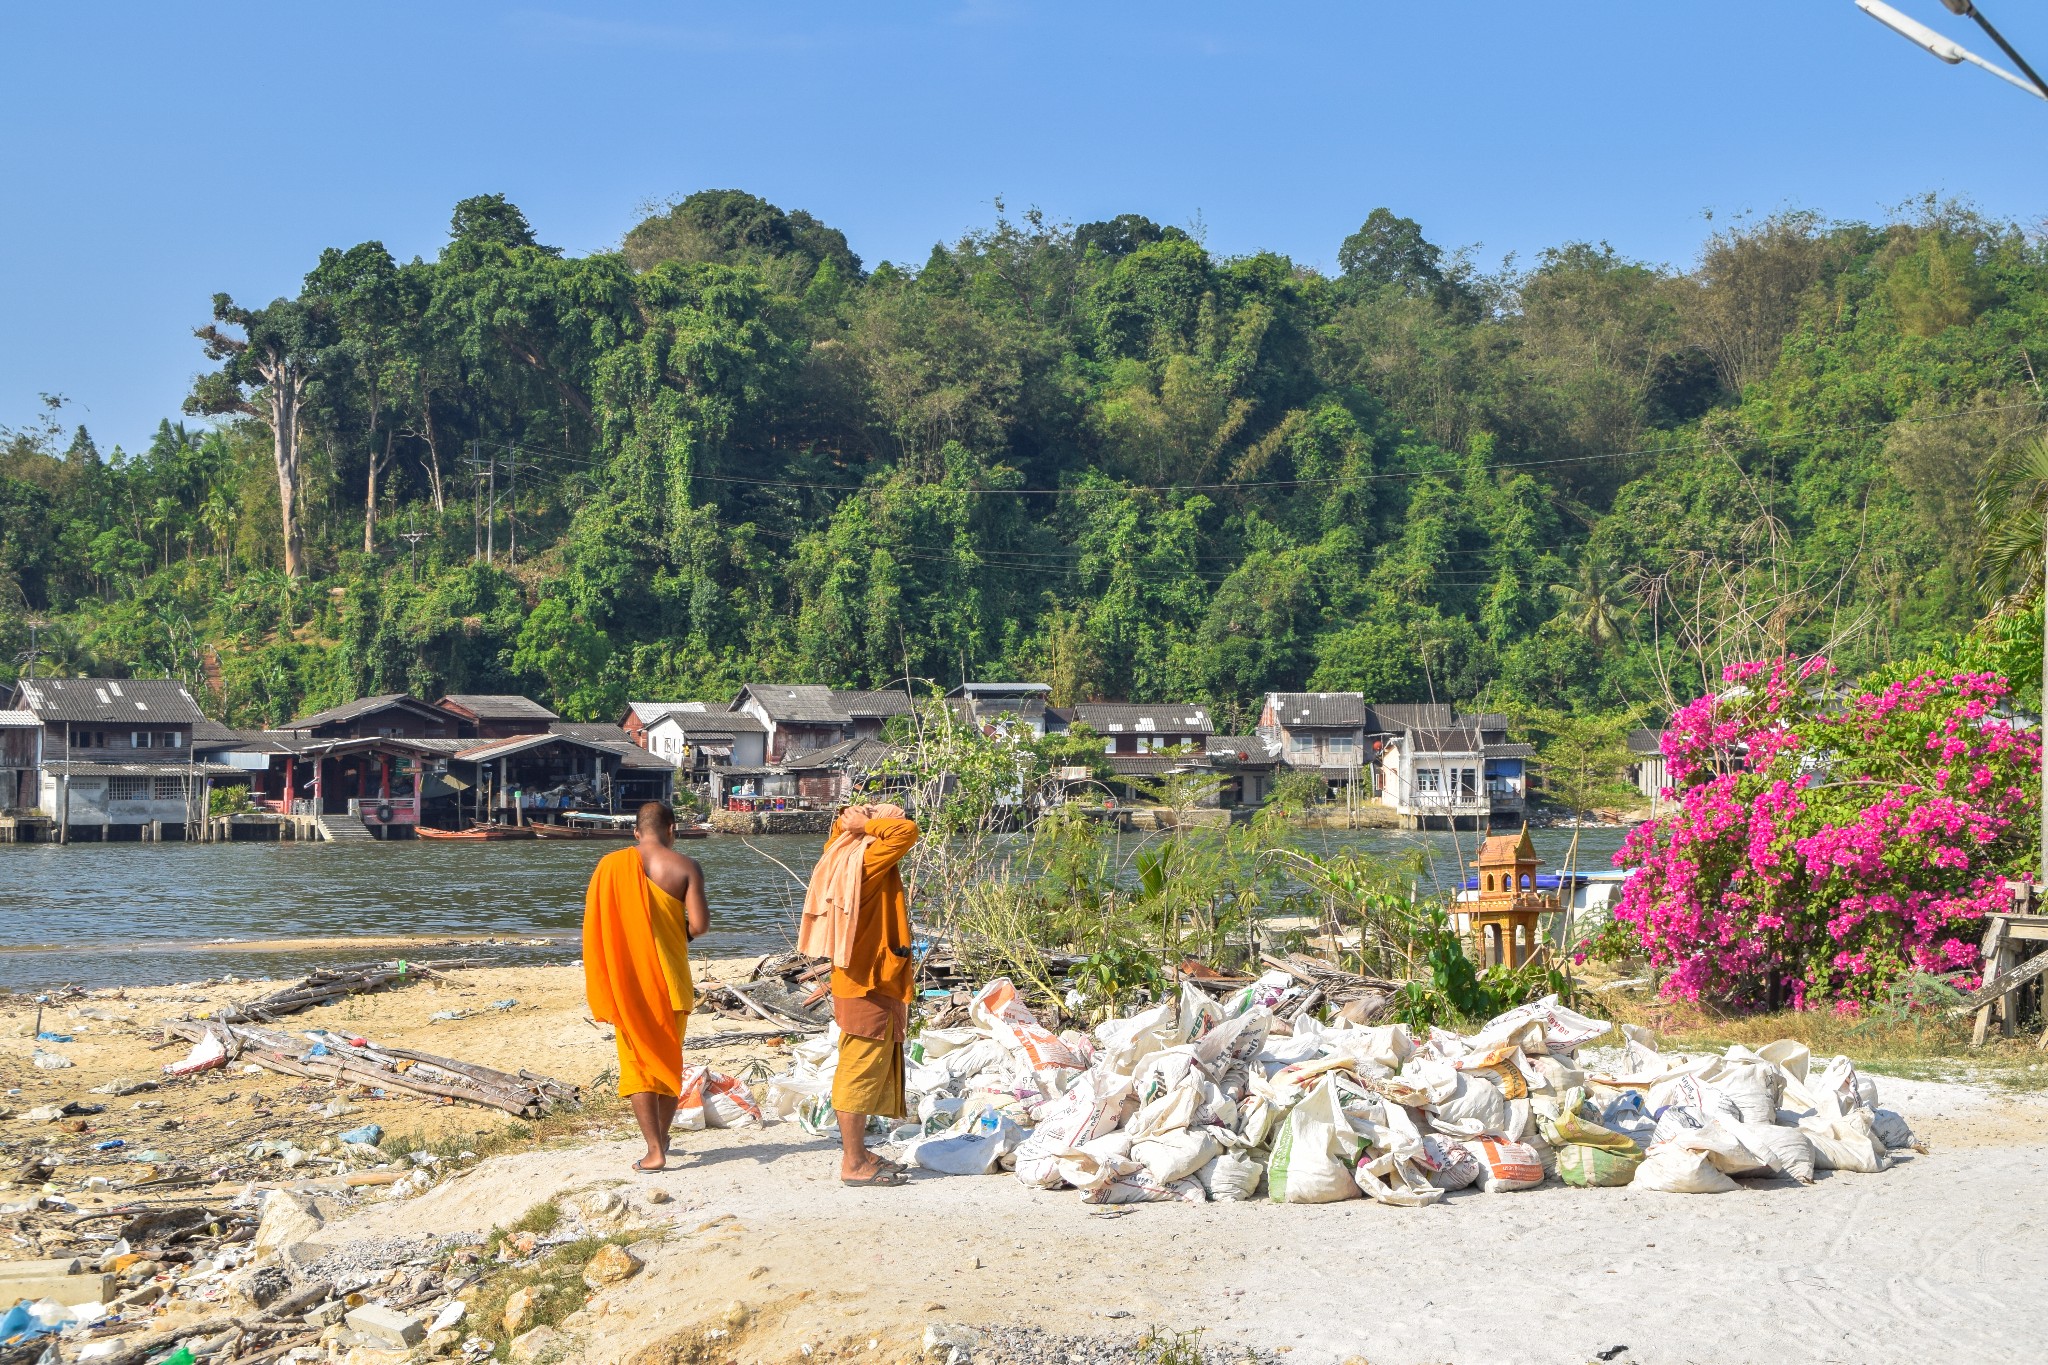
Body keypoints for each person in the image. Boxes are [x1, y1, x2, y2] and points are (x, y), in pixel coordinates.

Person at [583, 800, 709, 1173]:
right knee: (668, 1063)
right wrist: (674, 935)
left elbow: (600, 927)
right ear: (672, 828)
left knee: (638, 1068)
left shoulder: (611, 867)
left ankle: (654, 1150)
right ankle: (664, 1137)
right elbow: (699, 926)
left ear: (636, 833)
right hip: (672, 984)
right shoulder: (686, 866)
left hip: (630, 985)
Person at [799, 800, 920, 1187]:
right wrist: (867, 824)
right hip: (868, 980)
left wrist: (856, 824)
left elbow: (846, 834)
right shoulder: (865, 860)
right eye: (884, 817)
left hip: (861, 976)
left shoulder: (844, 856)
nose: (892, 821)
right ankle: (853, 1162)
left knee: (864, 1062)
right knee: (858, 1069)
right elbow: (908, 832)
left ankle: (860, 1152)